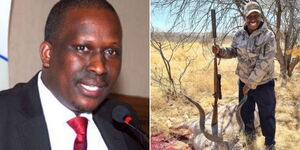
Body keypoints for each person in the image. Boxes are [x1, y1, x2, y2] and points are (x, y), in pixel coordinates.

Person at [0, 0, 147, 149]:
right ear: (47, 54)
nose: (99, 67)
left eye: (111, 52)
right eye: (82, 48)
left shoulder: (125, 123)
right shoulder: (4, 115)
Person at [212, 1, 276, 150]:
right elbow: (234, 52)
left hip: (263, 84)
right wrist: (220, 51)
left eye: (256, 15)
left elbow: (265, 62)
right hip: (243, 82)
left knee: (267, 115)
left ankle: (269, 144)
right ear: (245, 17)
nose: (252, 19)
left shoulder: (268, 36)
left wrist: (250, 83)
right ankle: (250, 141)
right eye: (249, 16)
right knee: (245, 114)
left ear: (260, 17)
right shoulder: (239, 35)